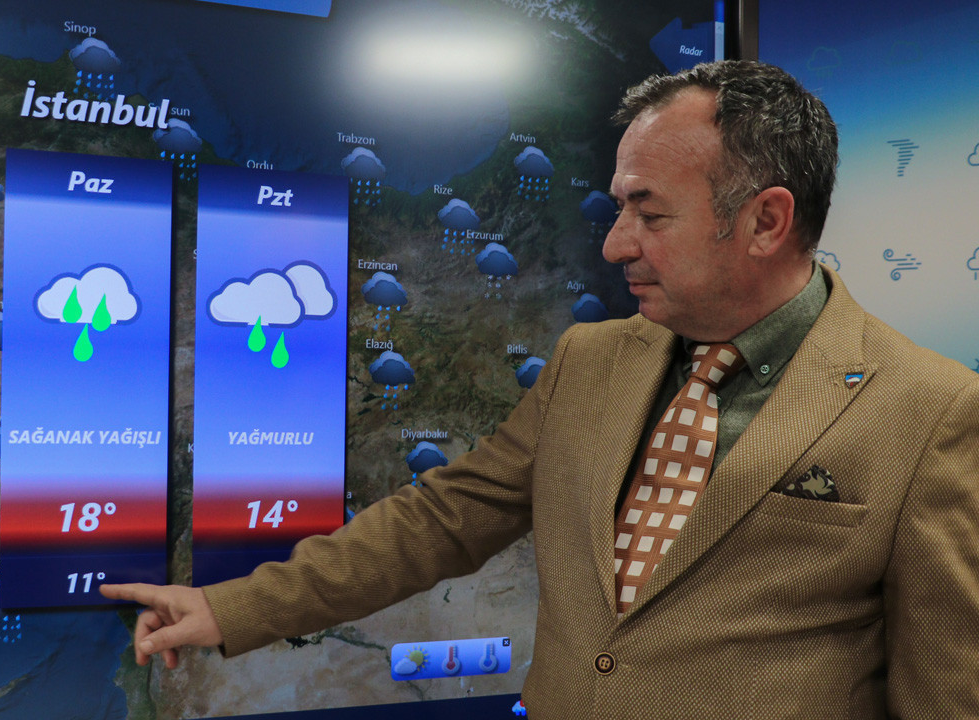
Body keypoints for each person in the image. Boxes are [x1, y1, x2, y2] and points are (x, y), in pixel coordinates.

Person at [102, 60, 979, 717]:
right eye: (617, 207)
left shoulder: (929, 411)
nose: (615, 243)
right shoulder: (590, 362)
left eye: (649, 213)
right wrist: (229, 608)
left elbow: (948, 695)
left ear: (766, 220)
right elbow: (442, 520)